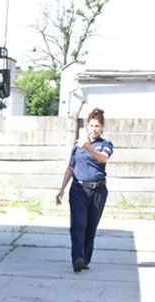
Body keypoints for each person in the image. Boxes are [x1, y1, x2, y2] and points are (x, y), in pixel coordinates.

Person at [56, 107, 113, 272]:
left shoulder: (105, 145)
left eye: (97, 126)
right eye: (92, 125)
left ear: (102, 128)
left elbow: (103, 158)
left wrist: (88, 146)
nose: (94, 129)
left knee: (90, 226)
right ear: (87, 126)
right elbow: (70, 167)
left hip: (98, 191)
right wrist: (61, 189)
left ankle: (85, 259)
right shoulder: (77, 145)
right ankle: (77, 259)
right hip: (79, 189)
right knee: (78, 224)